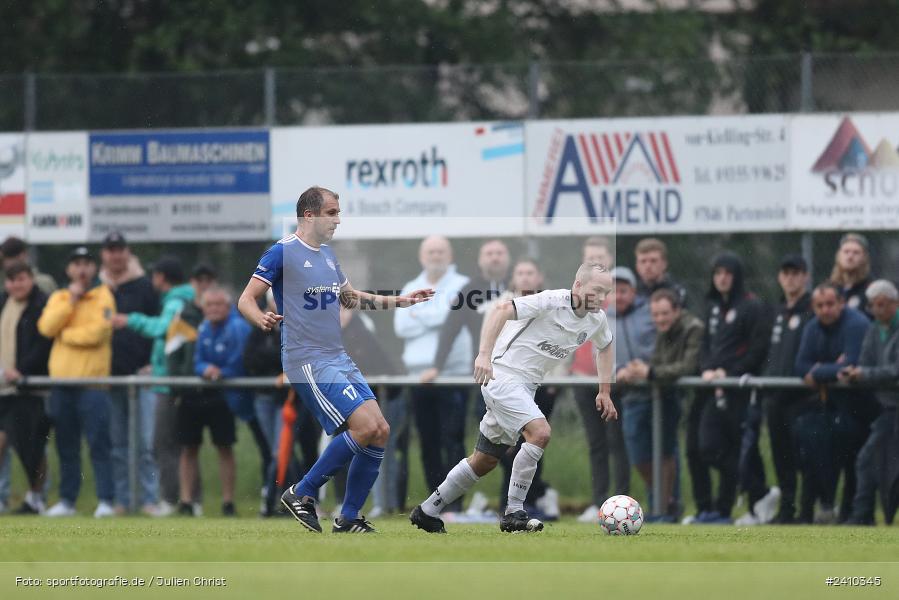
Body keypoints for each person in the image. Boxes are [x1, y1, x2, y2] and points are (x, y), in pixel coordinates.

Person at [238, 185, 433, 534]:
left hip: (337, 357)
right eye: (331, 213)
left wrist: (402, 301)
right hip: (307, 359)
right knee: (363, 427)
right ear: (308, 215)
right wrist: (260, 318)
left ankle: (349, 518)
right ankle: (303, 491)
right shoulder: (282, 252)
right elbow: (246, 299)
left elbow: (351, 298)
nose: (338, 220)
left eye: (338, 213)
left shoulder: (328, 255)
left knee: (380, 430)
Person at [410, 263, 617, 534]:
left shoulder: (596, 319)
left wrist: (604, 390)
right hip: (502, 376)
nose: (602, 297)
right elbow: (501, 309)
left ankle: (427, 510)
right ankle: (514, 512)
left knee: (484, 460)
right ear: (578, 285)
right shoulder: (551, 300)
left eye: (606, 292)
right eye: (597, 290)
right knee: (540, 432)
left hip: (526, 386)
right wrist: (483, 355)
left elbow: (605, 345)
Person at [686, 253, 769, 525]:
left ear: (736, 277)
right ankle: (746, 498)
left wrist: (729, 373)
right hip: (714, 389)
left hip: (740, 391)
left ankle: (750, 500)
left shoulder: (751, 307)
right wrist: (708, 369)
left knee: (738, 448)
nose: (721, 278)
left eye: (727, 273)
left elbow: (757, 349)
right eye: (717, 273)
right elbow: (706, 345)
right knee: (708, 448)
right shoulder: (712, 307)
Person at [111, 256, 195, 514]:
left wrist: (131, 320)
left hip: (169, 386)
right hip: (167, 379)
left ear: (161, 277)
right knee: (175, 443)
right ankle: (185, 500)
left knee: (163, 443)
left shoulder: (175, 302)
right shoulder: (179, 299)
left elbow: (163, 329)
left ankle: (169, 501)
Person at [38, 246, 116, 517]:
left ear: (94, 268)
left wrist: (66, 335)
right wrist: (71, 300)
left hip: (93, 385)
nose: (82, 269)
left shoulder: (103, 295)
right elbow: (47, 327)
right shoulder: (60, 296)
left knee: (99, 444)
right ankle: (68, 501)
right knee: (66, 446)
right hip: (62, 384)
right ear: (69, 269)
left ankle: (106, 500)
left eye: (86, 263)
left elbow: (98, 333)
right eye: (77, 264)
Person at [395, 236, 471, 512]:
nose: (435, 256)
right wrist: (436, 315)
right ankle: (433, 503)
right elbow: (401, 326)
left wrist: (420, 314)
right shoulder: (410, 287)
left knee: (453, 438)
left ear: (450, 255)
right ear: (421, 256)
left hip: (454, 374)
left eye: (441, 251)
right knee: (427, 441)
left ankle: (455, 504)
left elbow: (450, 319)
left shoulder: (463, 285)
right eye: (430, 251)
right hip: (418, 376)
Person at [794, 281, 874, 524]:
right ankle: (810, 511)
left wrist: (818, 370)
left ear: (841, 303)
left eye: (830, 304)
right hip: (831, 406)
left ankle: (853, 515)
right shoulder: (812, 327)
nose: (825, 310)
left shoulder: (856, 324)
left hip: (863, 405)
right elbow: (800, 366)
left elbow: (850, 364)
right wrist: (830, 369)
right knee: (810, 447)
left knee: (854, 461)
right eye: (820, 305)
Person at [488, 258, 560, 520]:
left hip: (540, 384)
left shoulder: (552, 302)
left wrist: (556, 379)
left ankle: (528, 502)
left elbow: (559, 343)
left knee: (536, 441)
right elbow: (490, 337)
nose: (526, 277)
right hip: (504, 380)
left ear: (539, 277)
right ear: (513, 278)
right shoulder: (502, 305)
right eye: (520, 272)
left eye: (531, 272)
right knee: (506, 448)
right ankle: (512, 504)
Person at [99, 232, 162, 516]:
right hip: (111, 378)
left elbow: (158, 326)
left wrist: (153, 362)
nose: (116, 255)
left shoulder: (145, 286)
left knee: (147, 445)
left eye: (120, 249)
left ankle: (149, 500)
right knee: (117, 445)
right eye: (111, 250)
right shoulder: (97, 288)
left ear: (128, 252)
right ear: (104, 254)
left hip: (142, 375)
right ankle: (122, 502)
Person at [629, 288, 704, 521]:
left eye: (664, 314)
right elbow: (659, 362)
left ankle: (665, 508)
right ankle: (665, 503)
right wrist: (638, 370)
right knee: (641, 454)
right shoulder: (664, 331)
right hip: (662, 394)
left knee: (667, 453)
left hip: (688, 397)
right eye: (656, 315)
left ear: (677, 311)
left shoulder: (694, 328)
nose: (660, 319)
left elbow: (687, 366)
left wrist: (649, 372)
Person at [178, 287, 249, 517]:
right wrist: (206, 369)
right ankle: (186, 501)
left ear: (228, 307)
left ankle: (228, 502)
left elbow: (239, 361)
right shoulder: (205, 328)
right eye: (210, 305)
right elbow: (198, 360)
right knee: (188, 446)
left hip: (224, 395)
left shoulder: (237, 327)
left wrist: (221, 371)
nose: (214, 309)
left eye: (219, 305)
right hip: (200, 392)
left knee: (224, 447)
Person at [571, 241, 629, 522]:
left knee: (617, 442)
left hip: (611, 381)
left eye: (600, 257)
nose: (596, 260)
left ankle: (621, 501)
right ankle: (599, 502)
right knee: (596, 443)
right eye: (590, 257)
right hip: (582, 379)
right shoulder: (579, 298)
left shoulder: (614, 301)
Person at [760, 255, 814, 524]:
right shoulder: (778, 311)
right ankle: (787, 510)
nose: (791, 278)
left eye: (796, 273)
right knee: (782, 458)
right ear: (780, 277)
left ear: (805, 276)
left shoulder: (812, 309)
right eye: (786, 273)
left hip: (803, 397)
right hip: (776, 396)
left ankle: (807, 511)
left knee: (804, 457)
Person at [840, 280, 899, 525]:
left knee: (868, 460)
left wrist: (865, 374)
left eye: (882, 305)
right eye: (873, 306)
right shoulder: (875, 329)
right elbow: (866, 362)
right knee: (868, 460)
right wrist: (855, 372)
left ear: (895, 303)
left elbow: (895, 371)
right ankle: (863, 515)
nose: (877, 310)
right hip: (886, 410)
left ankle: (863, 515)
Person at [341, 306, 406, 516]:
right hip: (368, 400)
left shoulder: (360, 332)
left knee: (381, 450)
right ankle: (380, 504)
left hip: (387, 398)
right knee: (370, 450)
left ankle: (385, 504)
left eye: (341, 309)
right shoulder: (336, 335)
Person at [419, 240, 510, 385]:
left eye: (499, 253)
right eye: (489, 254)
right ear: (480, 260)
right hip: (483, 371)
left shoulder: (519, 286)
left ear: (507, 258)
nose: (495, 258)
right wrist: (437, 367)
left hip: (519, 368)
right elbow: (450, 329)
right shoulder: (469, 290)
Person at [0, 263, 52, 514]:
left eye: (21, 279)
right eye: (11, 280)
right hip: (4, 388)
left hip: (29, 388)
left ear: (31, 279)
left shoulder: (42, 304)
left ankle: (36, 497)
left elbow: (44, 343)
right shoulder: (3, 302)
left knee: (31, 447)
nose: (15, 285)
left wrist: (22, 370)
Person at [634, 238, 687, 307]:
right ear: (637, 266)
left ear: (664, 264)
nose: (648, 266)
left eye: (653, 261)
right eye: (643, 261)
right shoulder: (631, 292)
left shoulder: (677, 291)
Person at [830, 233, 873, 315]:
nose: (850, 257)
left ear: (864, 257)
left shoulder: (870, 289)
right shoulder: (830, 288)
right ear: (838, 256)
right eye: (846, 252)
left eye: (856, 253)